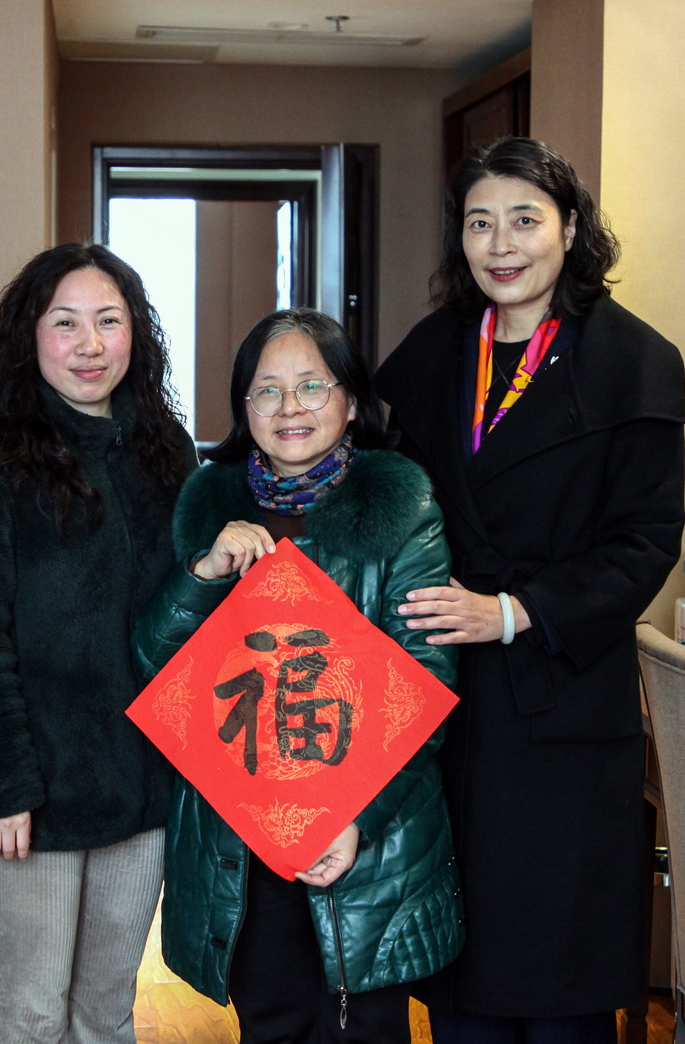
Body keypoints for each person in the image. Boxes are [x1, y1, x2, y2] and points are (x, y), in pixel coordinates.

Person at [375, 137, 685, 1044]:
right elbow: (380, 491)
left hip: (561, 704)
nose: (500, 244)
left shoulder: (633, 359)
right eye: (479, 223)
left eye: (523, 219)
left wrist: (513, 612)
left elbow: (645, 542)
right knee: (461, 987)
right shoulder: (435, 349)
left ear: (571, 228)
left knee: (559, 993)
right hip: (444, 698)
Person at [133, 308, 463, 1044]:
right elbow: (157, 665)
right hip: (243, 837)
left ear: (350, 399)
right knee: (271, 1022)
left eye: (312, 385)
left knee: (363, 1030)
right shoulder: (208, 503)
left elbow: (425, 684)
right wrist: (203, 573)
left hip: (370, 838)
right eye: (267, 390)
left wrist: (355, 817)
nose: (289, 408)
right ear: (243, 407)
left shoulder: (402, 508)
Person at [0, 244, 196, 1044]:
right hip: (31, 791)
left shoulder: (165, 451)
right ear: (29, 335)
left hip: (141, 783)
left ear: (135, 333)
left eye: (108, 321)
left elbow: (190, 616)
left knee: (106, 1010)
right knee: (32, 1010)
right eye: (65, 322)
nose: (89, 344)